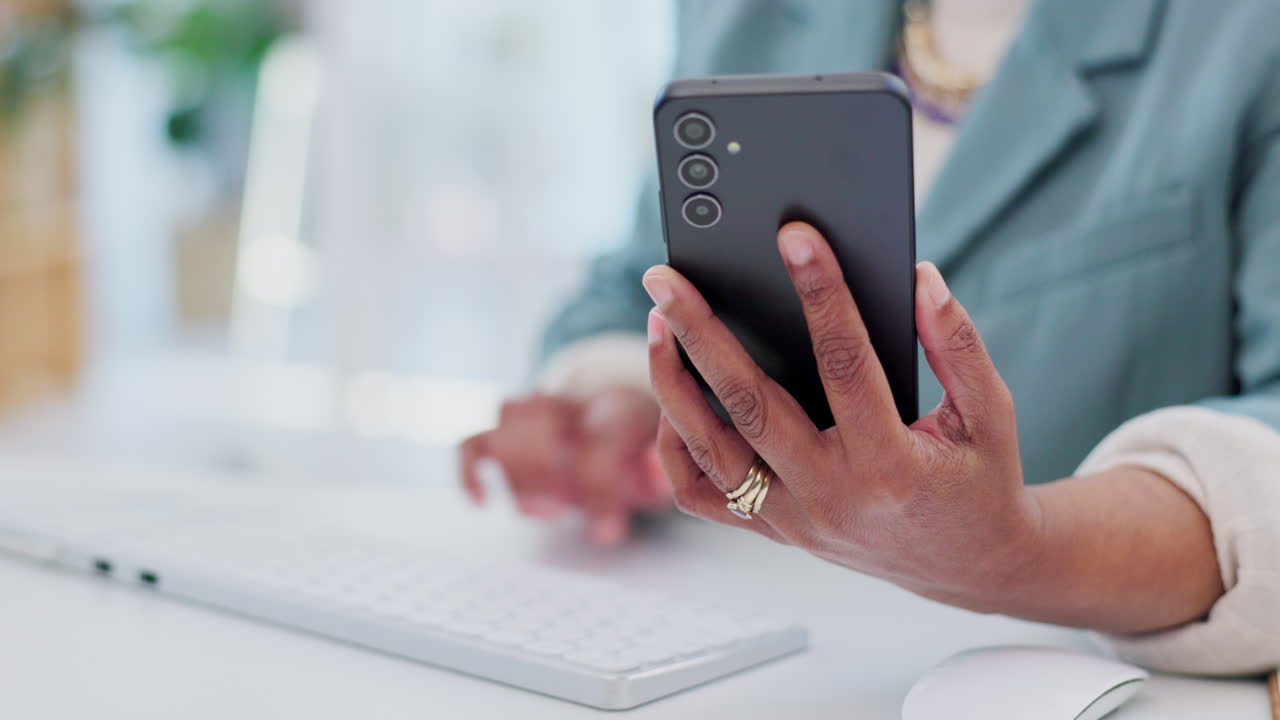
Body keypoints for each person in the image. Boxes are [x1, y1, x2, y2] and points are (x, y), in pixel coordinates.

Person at [460, 0, 1280, 675]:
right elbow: (642, 264)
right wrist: (617, 392)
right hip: (736, 651)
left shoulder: (1243, 35)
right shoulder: (739, 14)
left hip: (1052, 671)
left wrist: (1013, 550)